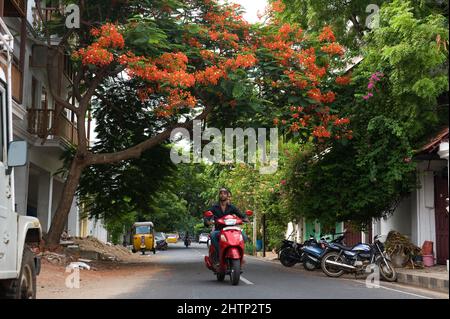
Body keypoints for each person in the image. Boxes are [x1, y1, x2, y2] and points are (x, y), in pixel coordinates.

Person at [204, 188, 248, 264]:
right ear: (219, 195)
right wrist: (207, 221)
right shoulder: (214, 207)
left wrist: (245, 218)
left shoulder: (232, 207)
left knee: (243, 236)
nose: (223, 195)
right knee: (213, 235)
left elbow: (241, 215)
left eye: (225, 193)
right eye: (221, 193)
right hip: (219, 230)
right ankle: (219, 255)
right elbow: (207, 216)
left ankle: (241, 256)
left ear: (227, 195)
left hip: (231, 230)